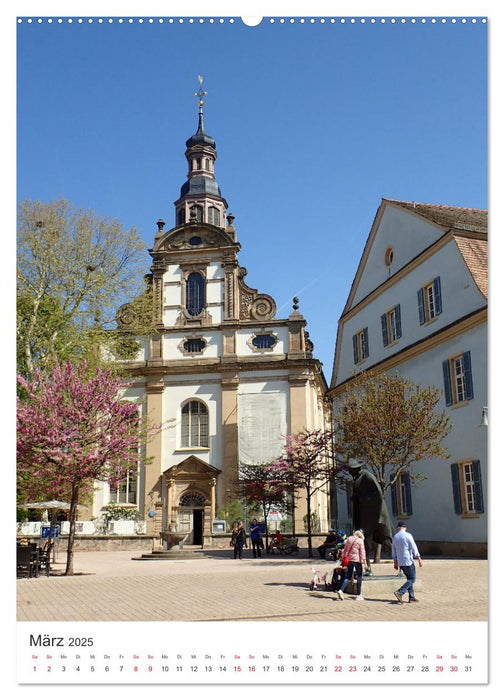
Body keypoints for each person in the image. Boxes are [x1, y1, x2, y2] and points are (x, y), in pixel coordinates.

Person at [348, 463, 394, 573]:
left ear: (356, 469)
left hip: (376, 514)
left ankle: (402, 565)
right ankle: (367, 568)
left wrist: (363, 499)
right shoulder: (356, 479)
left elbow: (378, 494)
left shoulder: (367, 476)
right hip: (364, 515)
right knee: (364, 542)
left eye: (351, 470)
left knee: (387, 539)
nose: (350, 472)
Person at [391, 521, 423, 603]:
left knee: (409, 578)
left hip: (400, 561)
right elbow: (413, 547)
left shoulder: (395, 537)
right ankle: (400, 592)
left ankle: (411, 597)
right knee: (412, 579)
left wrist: (395, 561)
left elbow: (393, 550)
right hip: (408, 560)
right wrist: (418, 558)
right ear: (405, 527)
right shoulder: (408, 535)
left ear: (398, 527)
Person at [336, 529, 368, 600]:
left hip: (350, 560)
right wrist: (365, 563)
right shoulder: (360, 541)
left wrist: (343, 557)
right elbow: (362, 552)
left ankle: (341, 590)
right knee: (359, 576)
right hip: (357, 560)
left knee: (348, 576)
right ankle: (358, 595)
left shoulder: (349, 539)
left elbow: (345, 549)